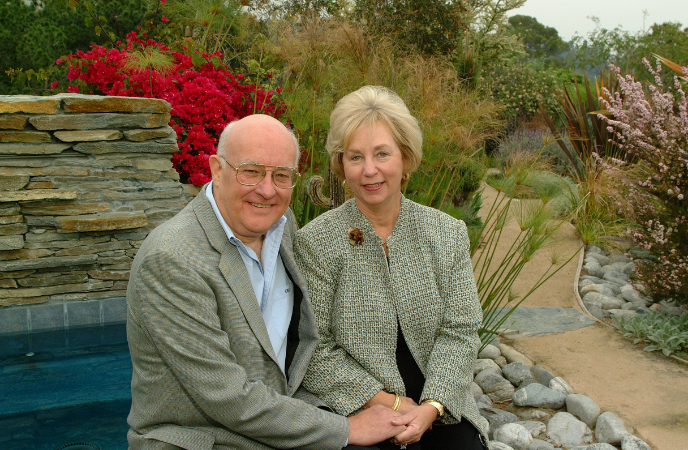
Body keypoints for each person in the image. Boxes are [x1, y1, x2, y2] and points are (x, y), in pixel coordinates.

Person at [126, 114, 406, 450]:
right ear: (217, 169)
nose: (268, 189)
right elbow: (227, 397)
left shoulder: (281, 223)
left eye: (281, 175)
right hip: (210, 438)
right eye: (251, 172)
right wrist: (345, 429)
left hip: (280, 418)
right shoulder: (173, 260)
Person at [293, 86, 489, 450]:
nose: (370, 171)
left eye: (382, 153)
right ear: (341, 165)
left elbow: (461, 331)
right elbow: (314, 347)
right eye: (355, 157)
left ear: (405, 157)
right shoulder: (315, 242)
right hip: (356, 405)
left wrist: (430, 407)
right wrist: (393, 406)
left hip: (438, 403)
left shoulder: (446, 233)